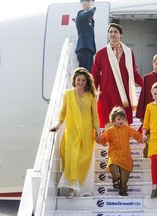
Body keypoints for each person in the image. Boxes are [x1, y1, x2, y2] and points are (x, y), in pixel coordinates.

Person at [50, 67, 101, 198]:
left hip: (86, 132)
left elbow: (95, 115)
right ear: (74, 80)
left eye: (83, 80)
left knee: (82, 159)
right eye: (78, 80)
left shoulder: (91, 95)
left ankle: (79, 188)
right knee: (71, 158)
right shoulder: (68, 94)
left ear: (87, 81)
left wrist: (97, 130)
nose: (81, 82)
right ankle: (71, 190)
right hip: (71, 131)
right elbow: (63, 112)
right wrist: (58, 124)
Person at [91, 23, 143, 128]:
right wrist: (92, 90)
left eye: (115, 32)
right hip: (107, 91)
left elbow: (133, 72)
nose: (113, 34)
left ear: (121, 35)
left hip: (123, 92)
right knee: (108, 119)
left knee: (123, 119)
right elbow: (95, 73)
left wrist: (144, 84)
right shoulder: (101, 53)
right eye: (110, 32)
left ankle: (123, 140)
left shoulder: (128, 52)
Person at [95, 106, 146, 196]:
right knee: (112, 165)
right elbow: (102, 140)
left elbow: (137, 135)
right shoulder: (110, 131)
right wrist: (97, 136)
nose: (121, 121)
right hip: (114, 154)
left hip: (125, 156)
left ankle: (122, 189)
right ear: (113, 120)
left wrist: (143, 138)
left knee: (124, 176)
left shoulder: (127, 129)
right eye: (118, 119)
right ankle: (115, 180)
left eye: (122, 118)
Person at [75, 0, 96, 71]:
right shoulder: (80, 14)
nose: (92, 4)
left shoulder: (89, 19)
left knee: (89, 73)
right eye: (90, 2)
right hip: (84, 47)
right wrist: (93, 8)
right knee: (84, 72)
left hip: (90, 48)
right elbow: (90, 12)